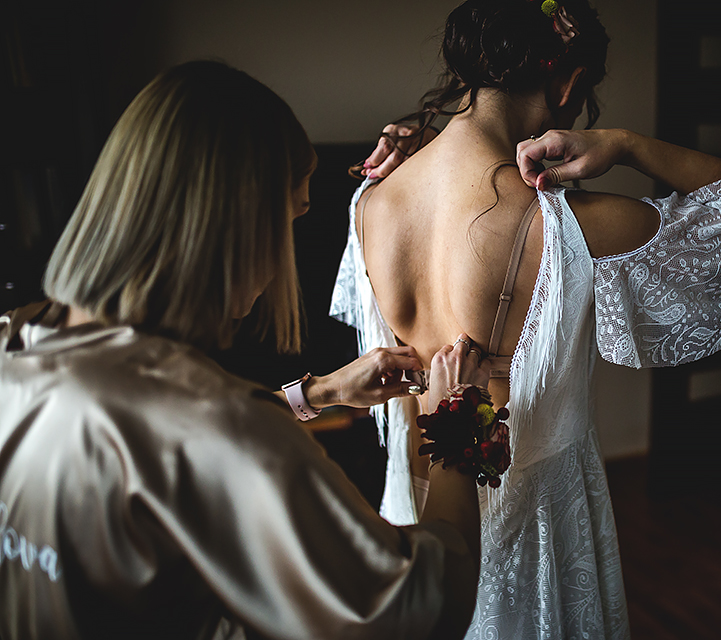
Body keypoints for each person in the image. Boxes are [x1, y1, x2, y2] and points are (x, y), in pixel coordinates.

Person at [330, 1, 721, 638]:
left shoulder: (372, 198)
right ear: (569, 81)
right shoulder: (569, 223)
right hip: (535, 524)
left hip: (417, 506)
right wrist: (628, 146)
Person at [0, 60, 494, 640]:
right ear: (240, 224)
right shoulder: (214, 422)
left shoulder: (18, 342)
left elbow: (159, 454)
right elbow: (417, 606)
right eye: (290, 217)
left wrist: (318, 393)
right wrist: (455, 422)